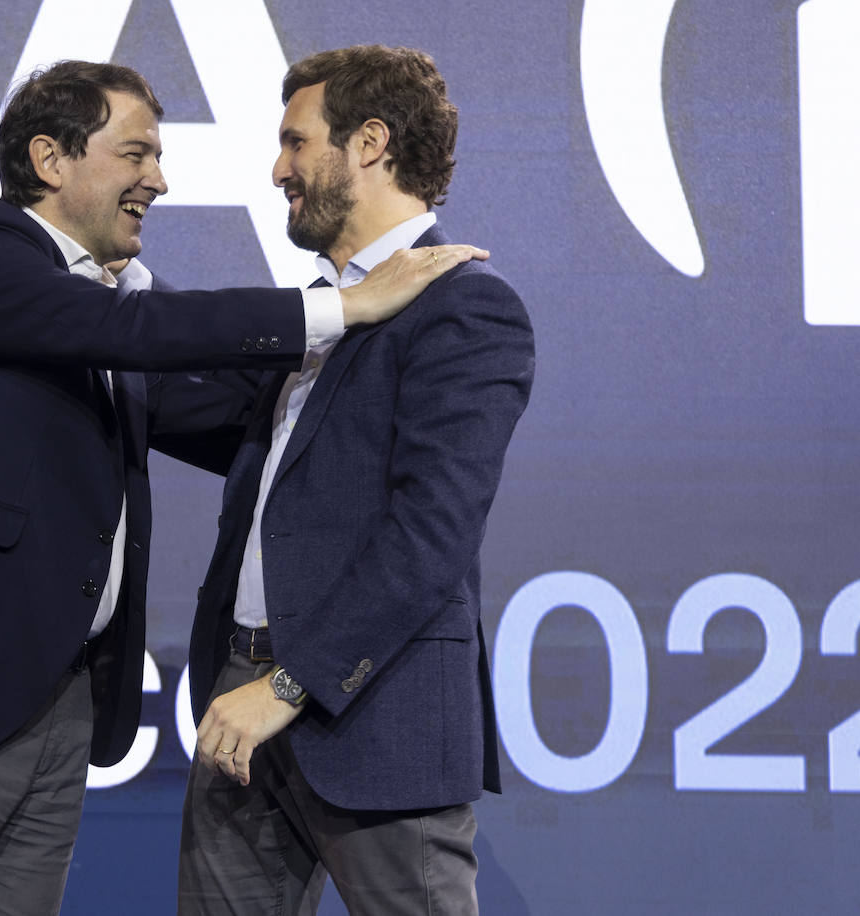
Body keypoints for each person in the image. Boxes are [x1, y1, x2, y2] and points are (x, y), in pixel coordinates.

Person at [0, 59, 482, 915]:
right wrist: (345, 308)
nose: (159, 179)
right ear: (49, 159)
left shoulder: (100, 310)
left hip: (49, 721)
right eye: (137, 153)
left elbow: (279, 445)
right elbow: (139, 331)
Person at [178, 45, 536, 915]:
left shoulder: (467, 307)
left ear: (369, 143)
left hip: (374, 718)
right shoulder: (318, 310)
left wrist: (290, 684)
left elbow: (431, 533)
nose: (278, 169)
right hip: (240, 707)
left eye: (296, 143)